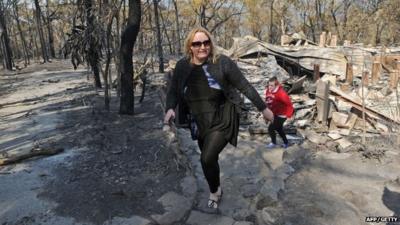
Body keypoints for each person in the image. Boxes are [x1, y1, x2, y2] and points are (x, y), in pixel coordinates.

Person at [164, 27, 273, 209]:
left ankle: (214, 192)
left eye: (206, 42)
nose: (202, 47)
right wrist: (169, 108)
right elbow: (174, 90)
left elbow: (244, 86)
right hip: (198, 120)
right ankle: (216, 186)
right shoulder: (183, 66)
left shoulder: (222, 62)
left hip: (223, 115)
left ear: (211, 44)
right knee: (210, 159)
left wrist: (263, 108)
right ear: (190, 46)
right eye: (197, 43)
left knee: (206, 158)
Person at [264, 77, 294, 149]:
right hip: (274, 113)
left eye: (272, 86)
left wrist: (289, 115)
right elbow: (268, 100)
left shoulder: (282, 94)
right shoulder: (268, 90)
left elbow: (289, 105)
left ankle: (273, 143)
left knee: (271, 128)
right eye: (269, 85)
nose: (270, 87)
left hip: (282, 115)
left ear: (276, 85)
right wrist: (266, 114)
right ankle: (286, 143)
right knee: (279, 129)